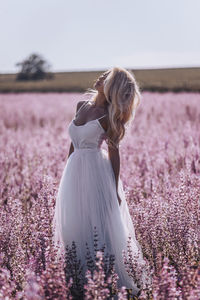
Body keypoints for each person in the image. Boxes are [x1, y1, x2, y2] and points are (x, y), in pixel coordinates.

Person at [52, 66, 150, 297]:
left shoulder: (109, 115)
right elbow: (73, 144)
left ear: (112, 87)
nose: (100, 78)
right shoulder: (81, 106)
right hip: (74, 171)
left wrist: (114, 188)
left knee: (97, 224)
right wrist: (66, 172)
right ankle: (76, 277)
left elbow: (114, 153)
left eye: (106, 78)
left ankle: (105, 279)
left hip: (97, 172)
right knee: (74, 221)